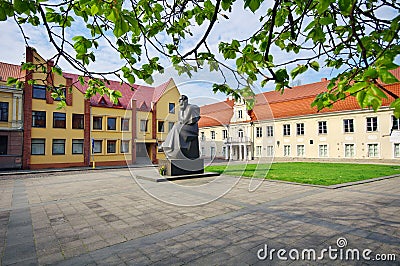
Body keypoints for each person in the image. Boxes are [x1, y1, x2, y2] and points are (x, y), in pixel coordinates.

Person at [161, 95, 200, 159]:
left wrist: (183, 112)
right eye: (179, 101)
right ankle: (169, 147)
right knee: (175, 126)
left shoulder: (191, 107)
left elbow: (185, 120)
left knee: (176, 127)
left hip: (191, 128)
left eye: (180, 100)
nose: (179, 102)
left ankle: (169, 146)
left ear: (185, 101)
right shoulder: (180, 110)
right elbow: (180, 121)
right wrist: (181, 111)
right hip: (184, 127)